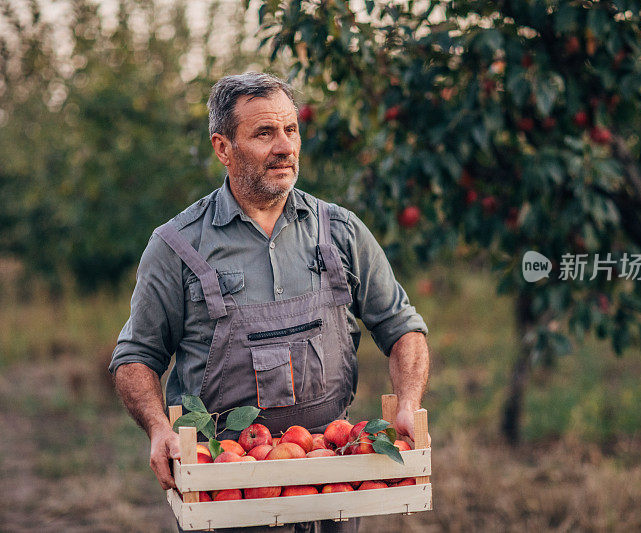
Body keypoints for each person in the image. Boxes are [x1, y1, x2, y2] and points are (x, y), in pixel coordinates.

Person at [109, 72, 430, 533]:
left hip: (331, 477)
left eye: (291, 129)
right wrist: (159, 428)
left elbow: (403, 327)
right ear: (223, 148)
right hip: (225, 487)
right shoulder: (177, 247)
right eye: (264, 133)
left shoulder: (339, 231)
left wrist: (408, 401)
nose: (285, 146)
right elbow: (136, 356)